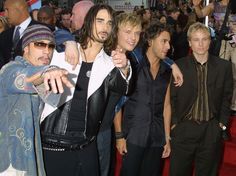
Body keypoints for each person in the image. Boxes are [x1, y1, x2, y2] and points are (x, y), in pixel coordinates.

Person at [40, 4, 131, 176]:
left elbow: (125, 87)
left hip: (86, 146)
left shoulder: (110, 63)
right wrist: (68, 40)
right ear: (89, 22)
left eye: (110, 23)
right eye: (100, 21)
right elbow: (45, 35)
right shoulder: (62, 51)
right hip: (53, 144)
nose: (105, 27)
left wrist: (125, 67)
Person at [0, 24, 73, 176]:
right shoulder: (9, 70)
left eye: (51, 46)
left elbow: (50, 94)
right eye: (40, 44)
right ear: (26, 48)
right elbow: (25, 78)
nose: (47, 51)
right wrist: (48, 71)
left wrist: (69, 41)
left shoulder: (40, 74)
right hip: (9, 161)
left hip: (30, 154)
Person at [169, 22, 233, 176]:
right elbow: (172, 98)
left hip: (211, 129)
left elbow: (227, 97)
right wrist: (174, 124)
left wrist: (222, 124)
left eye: (204, 39)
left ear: (210, 41)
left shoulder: (224, 66)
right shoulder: (178, 66)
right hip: (184, 128)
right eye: (196, 39)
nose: (201, 44)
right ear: (189, 42)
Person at [114, 22, 174, 176]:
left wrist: (167, 137)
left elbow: (166, 107)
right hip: (133, 135)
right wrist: (119, 135)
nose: (168, 46)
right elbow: (118, 102)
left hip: (157, 137)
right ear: (150, 41)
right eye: (164, 41)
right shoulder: (132, 64)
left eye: (169, 42)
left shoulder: (167, 70)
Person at [193, 0, 236, 114]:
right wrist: (196, 5)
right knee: (220, 73)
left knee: (235, 75)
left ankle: (233, 104)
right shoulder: (214, 5)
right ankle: (219, 101)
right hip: (222, 42)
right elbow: (201, 14)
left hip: (235, 44)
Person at [0, 0, 38, 68]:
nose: (5, 15)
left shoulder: (41, 31)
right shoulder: (4, 35)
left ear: (20, 9)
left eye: (7, 10)